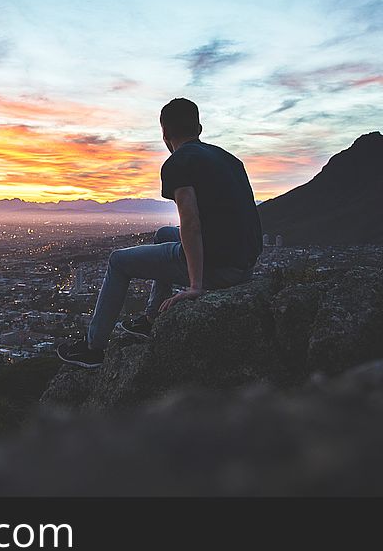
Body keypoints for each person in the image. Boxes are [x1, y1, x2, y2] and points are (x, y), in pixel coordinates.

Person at [56, 98, 263, 368]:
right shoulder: (229, 159)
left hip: (219, 266)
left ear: (164, 134)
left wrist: (195, 286)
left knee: (118, 261)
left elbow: (190, 221)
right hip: (243, 263)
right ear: (199, 128)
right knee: (164, 233)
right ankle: (152, 317)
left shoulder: (179, 162)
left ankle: (93, 348)